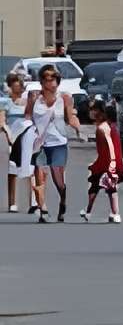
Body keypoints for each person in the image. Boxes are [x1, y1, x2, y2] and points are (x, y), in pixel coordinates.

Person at [24, 66, 70, 222]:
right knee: (40, 176)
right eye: (47, 79)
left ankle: (62, 201)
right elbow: (28, 114)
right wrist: (29, 127)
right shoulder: (34, 96)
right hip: (39, 143)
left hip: (58, 143)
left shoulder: (64, 97)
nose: (51, 82)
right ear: (42, 81)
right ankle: (43, 209)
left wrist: (78, 129)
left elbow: (69, 119)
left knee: (59, 181)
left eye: (54, 79)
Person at [80, 98, 123, 225]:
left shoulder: (103, 128)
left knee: (105, 188)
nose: (90, 112)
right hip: (107, 162)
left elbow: (110, 147)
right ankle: (95, 212)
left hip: (107, 163)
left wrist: (112, 163)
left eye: (93, 109)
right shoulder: (106, 126)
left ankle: (113, 213)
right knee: (105, 188)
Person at [1, 70, 28, 215]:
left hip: (27, 136)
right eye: (14, 86)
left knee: (31, 169)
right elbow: (3, 121)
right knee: (12, 170)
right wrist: (10, 137)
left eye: (19, 87)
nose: (17, 89)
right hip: (12, 137)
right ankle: (12, 203)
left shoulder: (26, 102)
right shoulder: (5, 102)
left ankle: (35, 202)